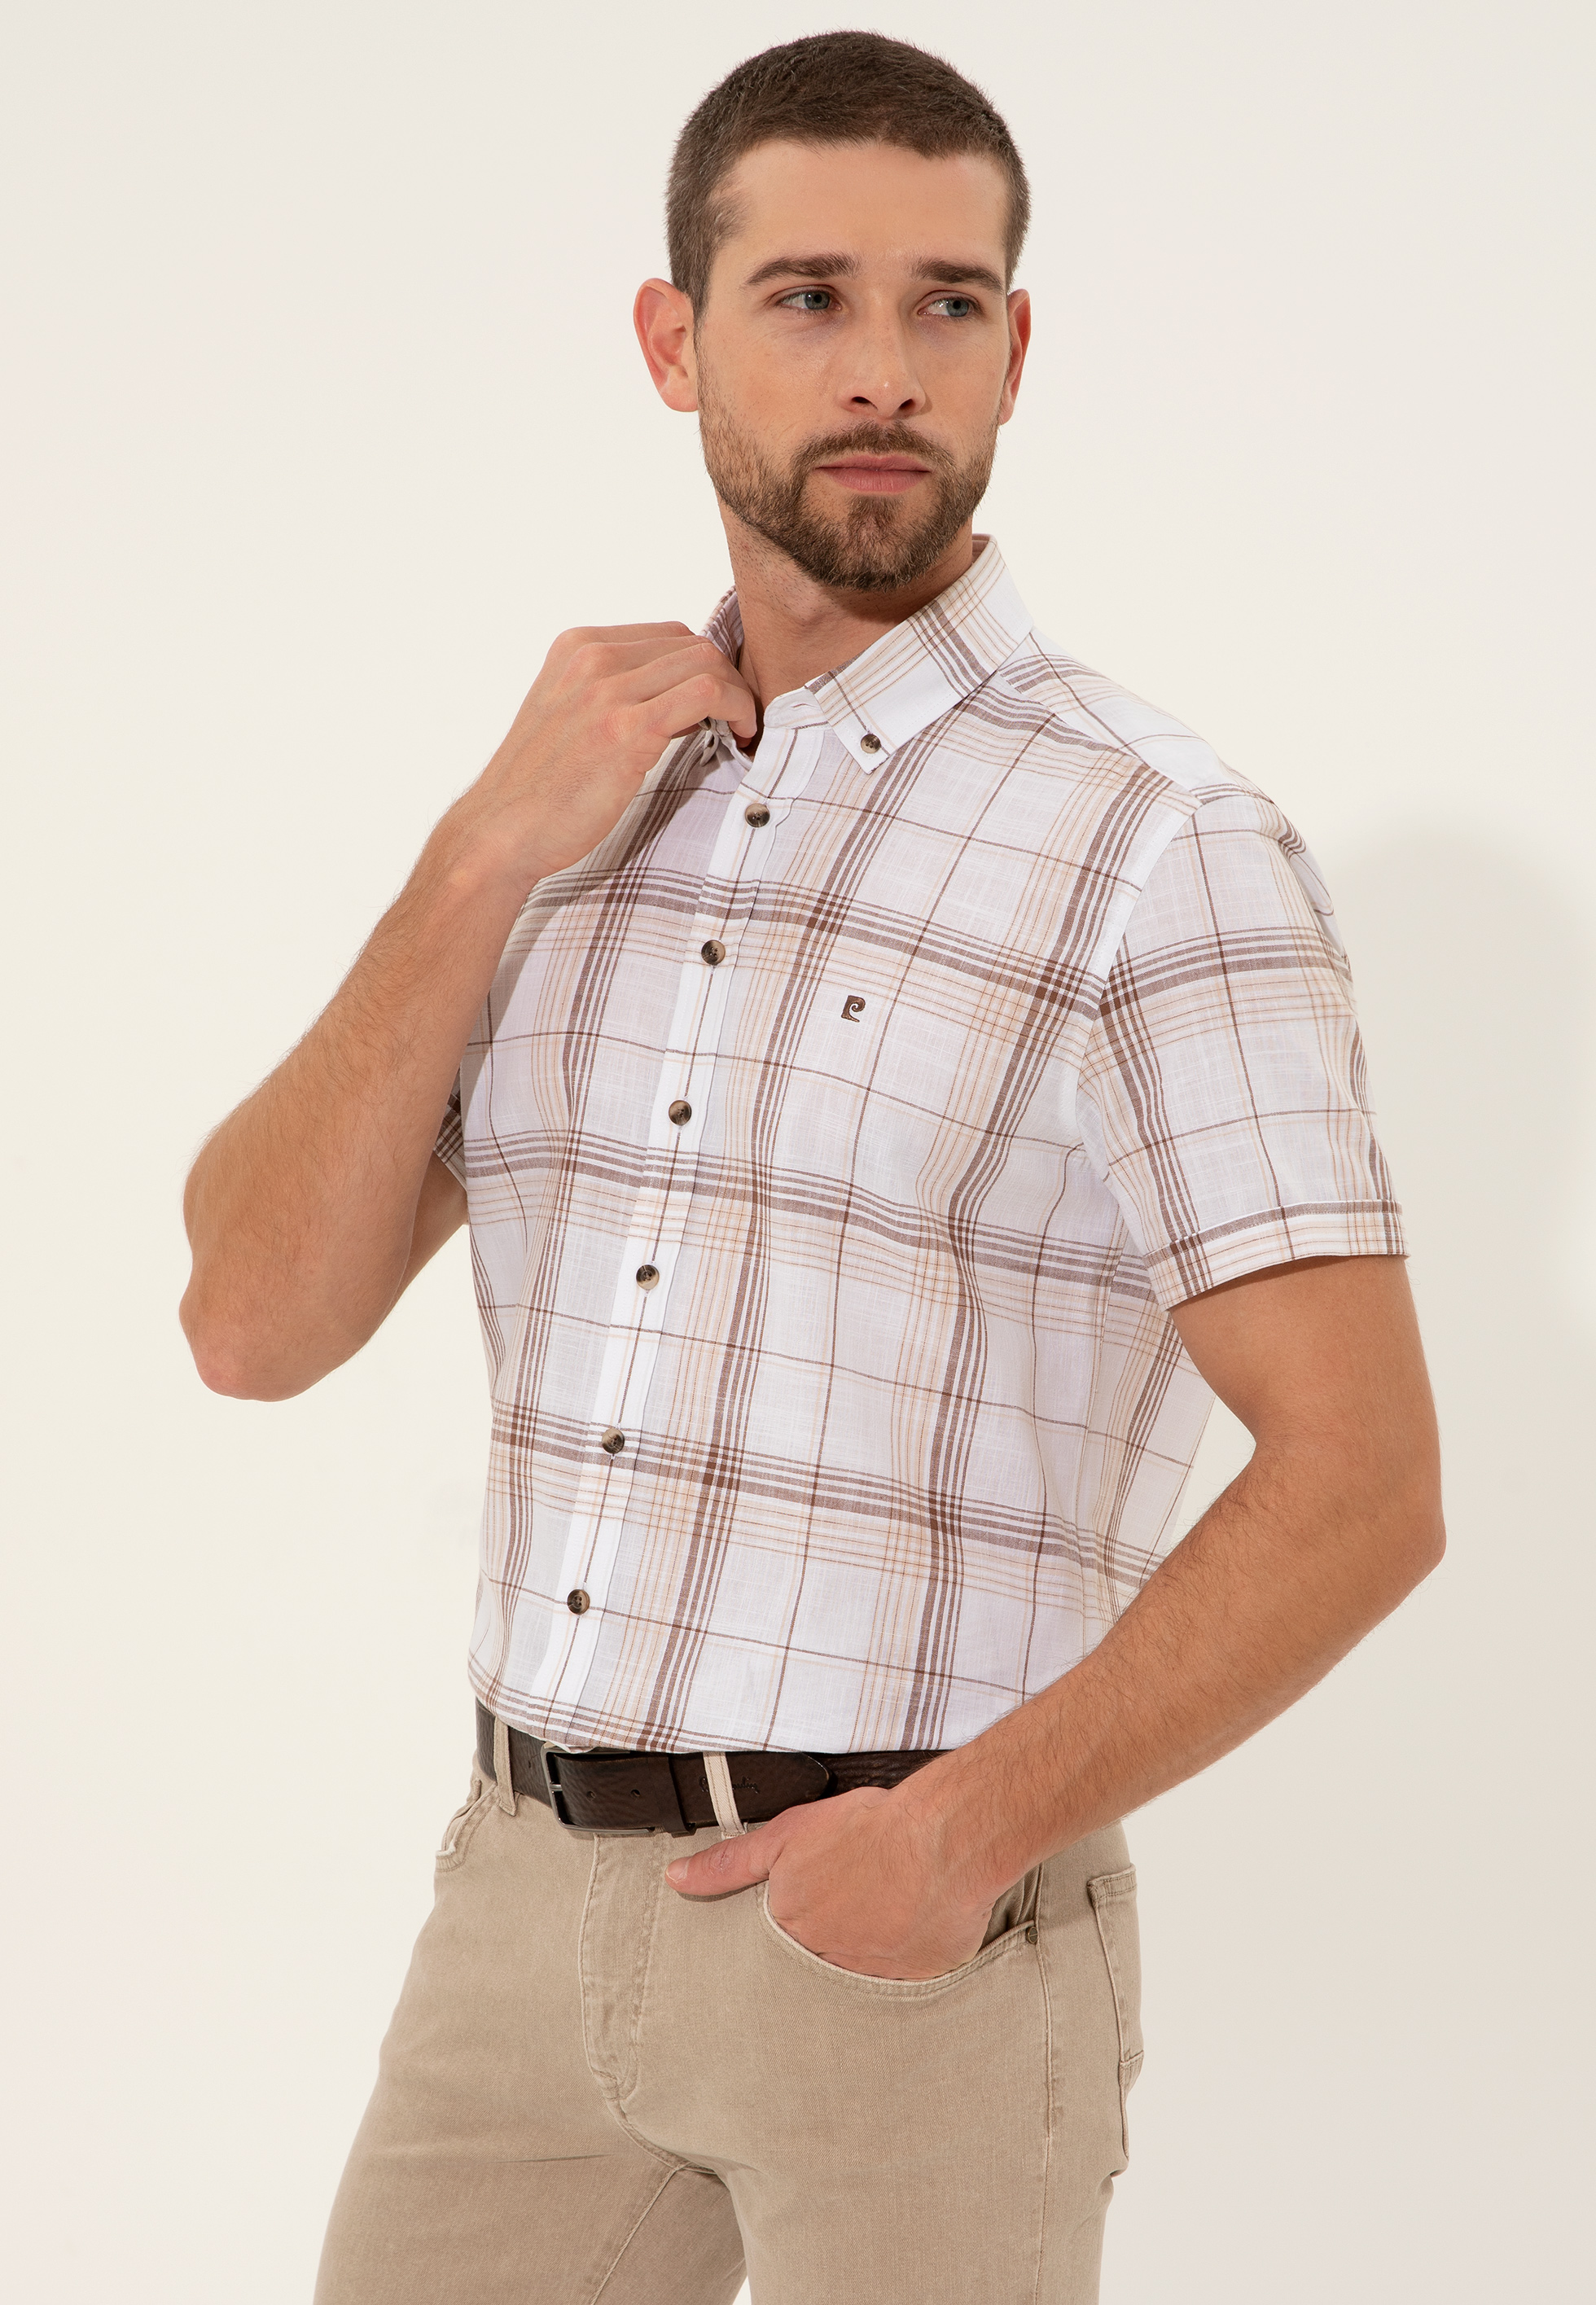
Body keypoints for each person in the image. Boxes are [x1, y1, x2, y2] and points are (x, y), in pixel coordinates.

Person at [180, 31, 1443, 2305]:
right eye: (806, 298)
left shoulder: (1155, 842)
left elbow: (1363, 1482)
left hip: (904, 1950)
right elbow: (251, 1325)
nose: (883, 370)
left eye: (947, 303)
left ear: (1016, 350)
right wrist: (474, 855)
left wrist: (952, 1843)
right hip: (515, 1916)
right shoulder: (567, 811)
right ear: (672, 341)